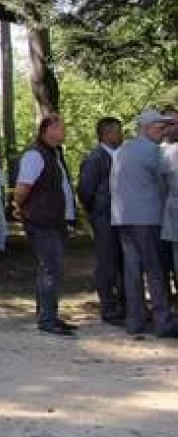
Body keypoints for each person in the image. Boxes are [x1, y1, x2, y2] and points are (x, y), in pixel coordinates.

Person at [111, 109, 176, 338]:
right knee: (155, 270)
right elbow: (164, 185)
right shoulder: (153, 152)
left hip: (122, 218)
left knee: (132, 271)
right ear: (146, 129)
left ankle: (135, 321)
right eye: (159, 128)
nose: (163, 132)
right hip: (147, 219)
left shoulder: (122, 150)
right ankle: (163, 321)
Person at [12, 116, 78, 336]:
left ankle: (48, 314)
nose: (64, 131)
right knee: (51, 267)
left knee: (52, 268)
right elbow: (23, 187)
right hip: (42, 220)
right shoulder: (35, 155)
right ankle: (47, 319)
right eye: (60, 128)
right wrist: (17, 205)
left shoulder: (54, 153)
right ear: (47, 130)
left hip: (55, 220)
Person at [76, 117, 126, 325]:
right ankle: (108, 306)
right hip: (104, 216)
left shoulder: (123, 156)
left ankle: (126, 303)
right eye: (116, 132)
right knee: (106, 261)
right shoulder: (95, 158)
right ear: (105, 135)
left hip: (123, 216)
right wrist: (96, 210)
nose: (120, 135)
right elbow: (85, 189)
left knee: (123, 262)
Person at [161, 109, 178, 286]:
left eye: (173, 123)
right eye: (166, 124)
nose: (170, 128)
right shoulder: (158, 152)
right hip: (163, 215)